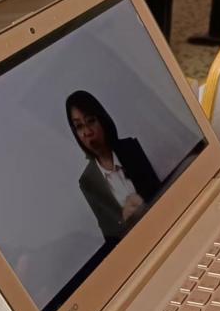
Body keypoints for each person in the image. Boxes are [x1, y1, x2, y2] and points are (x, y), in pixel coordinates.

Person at [65, 90, 161, 240]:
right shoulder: (87, 183)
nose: (87, 132)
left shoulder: (130, 148)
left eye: (91, 121)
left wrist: (144, 205)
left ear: (102, 120)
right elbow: (109, 234)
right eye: (79, 127)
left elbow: (159, 190)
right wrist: (124, 220)